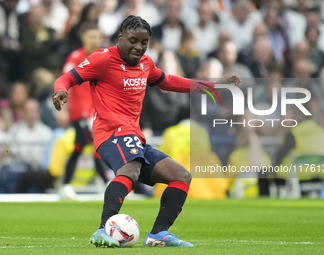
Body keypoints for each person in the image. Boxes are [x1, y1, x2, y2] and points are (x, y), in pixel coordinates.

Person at [52, 15, 240, 248]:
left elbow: (169, 81)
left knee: (181, 176)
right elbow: (67, 77)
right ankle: (102, 230)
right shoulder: (102, 59)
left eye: (144, 42)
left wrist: (211, 86)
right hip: (110, 133)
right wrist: (61, 90)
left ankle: (158, 234)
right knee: (130, 170)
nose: (138, 47)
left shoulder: (146, 64)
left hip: (135, 137)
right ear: (120, 37)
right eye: (133, 41)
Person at [59, 21, 108, 200]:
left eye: (97, 36)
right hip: (80, 112)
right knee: (97, 144)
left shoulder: (103, 57)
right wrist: (63, 110)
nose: (95, 40)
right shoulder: (76, 57)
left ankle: (65, 184)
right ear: (83, 38)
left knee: (79, 147)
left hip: (97, 111)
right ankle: (107, 181)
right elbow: (65, 80)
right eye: (91, 37)